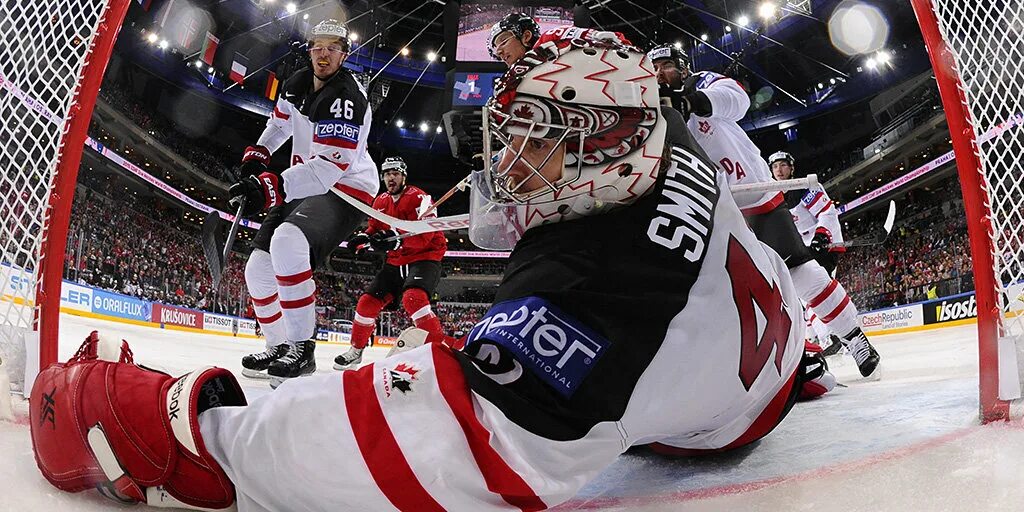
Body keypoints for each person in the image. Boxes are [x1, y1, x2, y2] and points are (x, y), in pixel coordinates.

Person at [31, 34, 816, 511]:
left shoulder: (599, 290)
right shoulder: (654, 126)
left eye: (534, 141)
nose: (506, 161)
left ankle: (288, 357)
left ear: (600, 152)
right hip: (765, 349)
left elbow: (450, 447)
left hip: (719, 421)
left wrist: (201, 433)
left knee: (440, 345)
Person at [648, 43, 880, 378]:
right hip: (710, 211)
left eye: (666, 65)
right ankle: (790, 361)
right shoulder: (649, 110)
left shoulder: (702, 82)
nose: (658, 73)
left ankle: (854, 338)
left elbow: (738, 100)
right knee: (727, 295)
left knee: (803, 275)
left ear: (683, 68)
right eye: (653, 68)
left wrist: (693, 103)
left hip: (755, 197)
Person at [232, 18, 378, 387]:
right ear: (309, 49)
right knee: (258, 271)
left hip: (346, 187)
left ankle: (302, 349)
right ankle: (279, 345)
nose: (324, 53)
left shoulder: (347, 97)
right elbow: (280, 123)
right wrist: (259, 154)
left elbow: (330, 168)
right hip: (305, 180)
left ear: (344, 55)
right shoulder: (296, 82)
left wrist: (272, 187)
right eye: (318, 46)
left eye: (333, 47)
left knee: (288, 242)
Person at [333, 156, 448, 370]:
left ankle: (439, 351)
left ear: (404, 176)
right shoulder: (380, 201)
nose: (390, 178)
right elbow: (375, 229)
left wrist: (392, 240)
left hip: (425, 257)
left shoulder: (421, 198)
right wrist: (365, 238)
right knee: (366, 303)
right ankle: (356, 351)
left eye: (395, 173)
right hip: (396, 261)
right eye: (387, 174)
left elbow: (426, 236)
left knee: (414, 298)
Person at [770, 151, 846, 356]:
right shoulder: (773, 195)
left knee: (814, 293)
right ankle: (817, 336)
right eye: (775, 166)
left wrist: (821, 236)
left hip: (822, 247)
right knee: (803, 298)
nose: (779, 170)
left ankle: (831, 337)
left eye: (783, 165)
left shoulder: (804, 187)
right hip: (802, 250)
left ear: (791, 168)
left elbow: (827, 212)